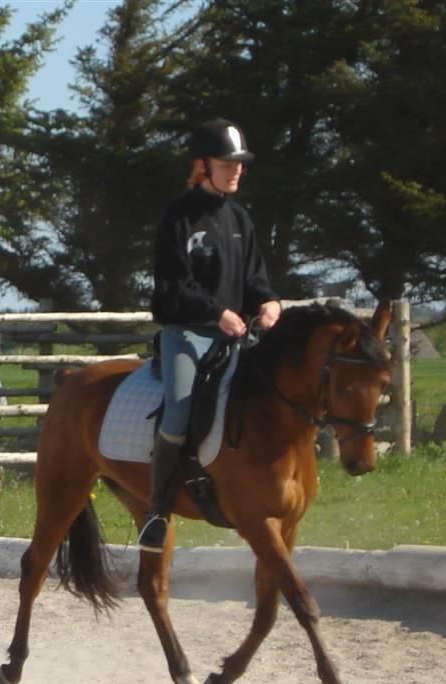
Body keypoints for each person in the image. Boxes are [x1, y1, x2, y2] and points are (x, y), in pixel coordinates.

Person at [138, 117, 281, 552]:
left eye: (239, 164)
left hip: (236, 335)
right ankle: (157, 511)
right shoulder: (178, 217)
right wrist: (216, 313)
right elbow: (172, 286)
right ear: (202, 165)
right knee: (179, 412)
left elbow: (254, 278)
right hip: (187, 334)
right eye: (227, 163)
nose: (236, 170)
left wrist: (270, 302)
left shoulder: (240, 218)